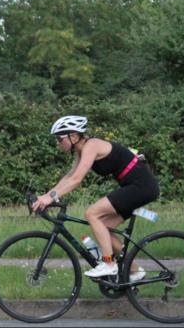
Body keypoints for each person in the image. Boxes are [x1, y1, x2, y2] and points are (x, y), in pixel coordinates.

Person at [32, 115, 160, 281]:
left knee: (92, 213)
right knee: (104, 228)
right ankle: (135, 270)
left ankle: (108, 264)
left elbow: (77, 180)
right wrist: (47, 196)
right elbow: (69, 176)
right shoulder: (81, 150)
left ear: (74, 136)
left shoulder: (91, 146)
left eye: (59, 138)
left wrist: (50, 198)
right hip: (135, 187)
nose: (58, 143)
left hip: (141, 187)